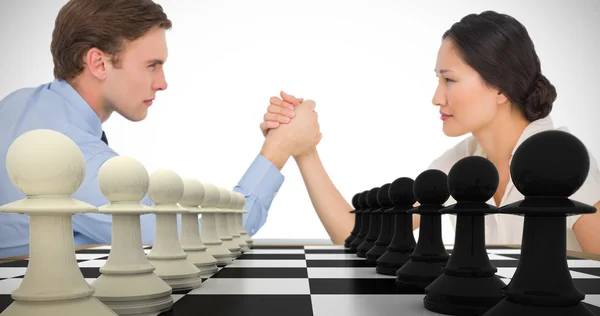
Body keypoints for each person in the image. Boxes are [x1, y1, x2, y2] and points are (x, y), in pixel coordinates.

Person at [0, 0, 321, 258]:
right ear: (98, 63)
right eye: (151, 65)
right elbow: (207, 240)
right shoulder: (71, 160)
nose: (163, 83)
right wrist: (279, 148)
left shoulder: (17, 105)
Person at [261, 11, 600, 254]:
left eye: (449, 79)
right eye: (438, 80)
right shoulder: (460, 163)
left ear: (501, 88)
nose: (437, 98)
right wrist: (303, 150)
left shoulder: (564, 163)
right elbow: (355, 236)